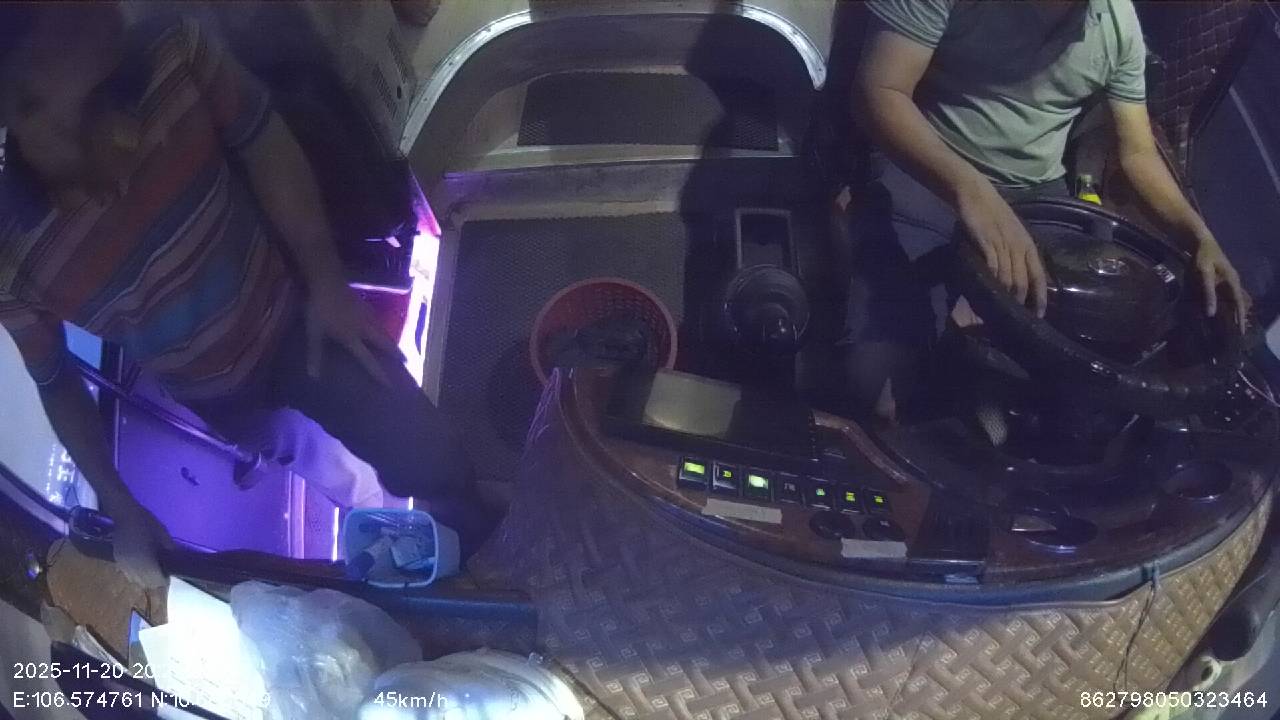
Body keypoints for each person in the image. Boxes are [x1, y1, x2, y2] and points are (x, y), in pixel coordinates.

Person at [0, 4, 487, 590]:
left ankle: (471, 536)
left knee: (428, 452)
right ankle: (380, 519)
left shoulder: (171, 51)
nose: (99, 136)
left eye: (105, 92)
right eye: (46, 107)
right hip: (217, 393)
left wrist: (326, 282)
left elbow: (262, 139)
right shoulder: (12, 257)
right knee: (310, 455)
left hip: (295, 318)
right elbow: (54, 377)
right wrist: (120, 504)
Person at [845, 0, 1250, 422]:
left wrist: (1198, 235)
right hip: (926, 172)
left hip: (1038, 197)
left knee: (1082, 391)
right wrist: (973, 191)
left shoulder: (1117, 23)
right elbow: (879, 92)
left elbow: (1137, 153)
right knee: (878, 389)